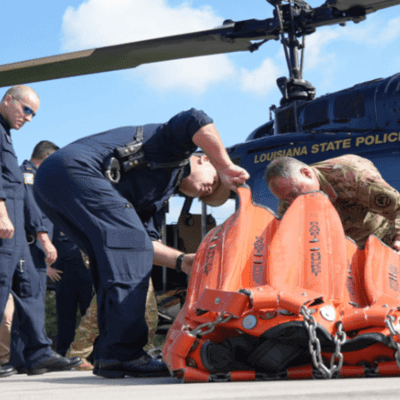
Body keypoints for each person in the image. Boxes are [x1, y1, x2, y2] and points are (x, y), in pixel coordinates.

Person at [33, 108, 250, 379]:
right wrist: (227, 165)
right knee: (127, 249)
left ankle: (110, 356)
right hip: (73, 170)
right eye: (214, 181)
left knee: (111, 260)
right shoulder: (174, 148)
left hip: (51, 186)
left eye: (210, 196)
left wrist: (182, 261)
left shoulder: (158, 198)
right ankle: (125, 353)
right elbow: (196, 119)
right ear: (205, 160)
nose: (209, 190)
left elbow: (146, 243)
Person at [0, 85, 81, 378]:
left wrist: (42, 236)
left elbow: (19, 191)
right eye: (27, 110)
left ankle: (38, 355)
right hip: (5, 226)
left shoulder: (5, 135)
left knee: (30, 288)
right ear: (8, 100)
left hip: (19, 231)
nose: (29, 118)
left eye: (33, 114)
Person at [265, 155, 400, 250]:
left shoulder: (352, 175)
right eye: (286, 199)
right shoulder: (289, 198)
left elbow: (398, 207)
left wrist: (398, 239)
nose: (293, 202)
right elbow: (284, 238)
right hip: (344, 255)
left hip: (383, 240)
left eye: (295, 194)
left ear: (306, 173)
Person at [7, 141, 62, 372]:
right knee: (32, 300)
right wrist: (45, 239)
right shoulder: (28, 176)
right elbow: (33, 211)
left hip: (30, 248)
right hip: (30, 248)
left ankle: (21, 359)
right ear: (47, 158)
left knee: (26, 304)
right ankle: (37, 355)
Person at [52, 226, 93, 359]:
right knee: (65, 318)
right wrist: (46, 268)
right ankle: (64, 355)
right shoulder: (55, 221)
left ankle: (93, 355)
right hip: (63, 277)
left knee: (91, 316)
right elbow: (43, 245)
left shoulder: (85, 219)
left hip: (88, 276)